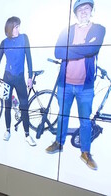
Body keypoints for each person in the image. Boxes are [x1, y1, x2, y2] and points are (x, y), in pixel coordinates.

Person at [45, 0, 105, 170]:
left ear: (92, 11)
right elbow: (58, 52)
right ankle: (59, 142)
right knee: (62, 116)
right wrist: (81, 48)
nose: (83, 12)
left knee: (85, 121)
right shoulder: (68, 30)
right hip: (65, 84)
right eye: (80, 9)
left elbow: (91, 50)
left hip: (85, 86)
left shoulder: (99, 29)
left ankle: (85, 152)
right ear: (75, 13)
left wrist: (70, 50)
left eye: (87, 8)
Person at [0, 16, 36, 146]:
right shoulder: (4, 43)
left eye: (18, 26)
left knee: (24, 106)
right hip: (7, 78)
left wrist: (30, 76)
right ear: (9, 28)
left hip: (19, 78)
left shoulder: (24, 38)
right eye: (15, 27)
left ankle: (27, 135)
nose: (18, 29)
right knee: (7, 106)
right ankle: (7, 130)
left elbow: (29, 57)